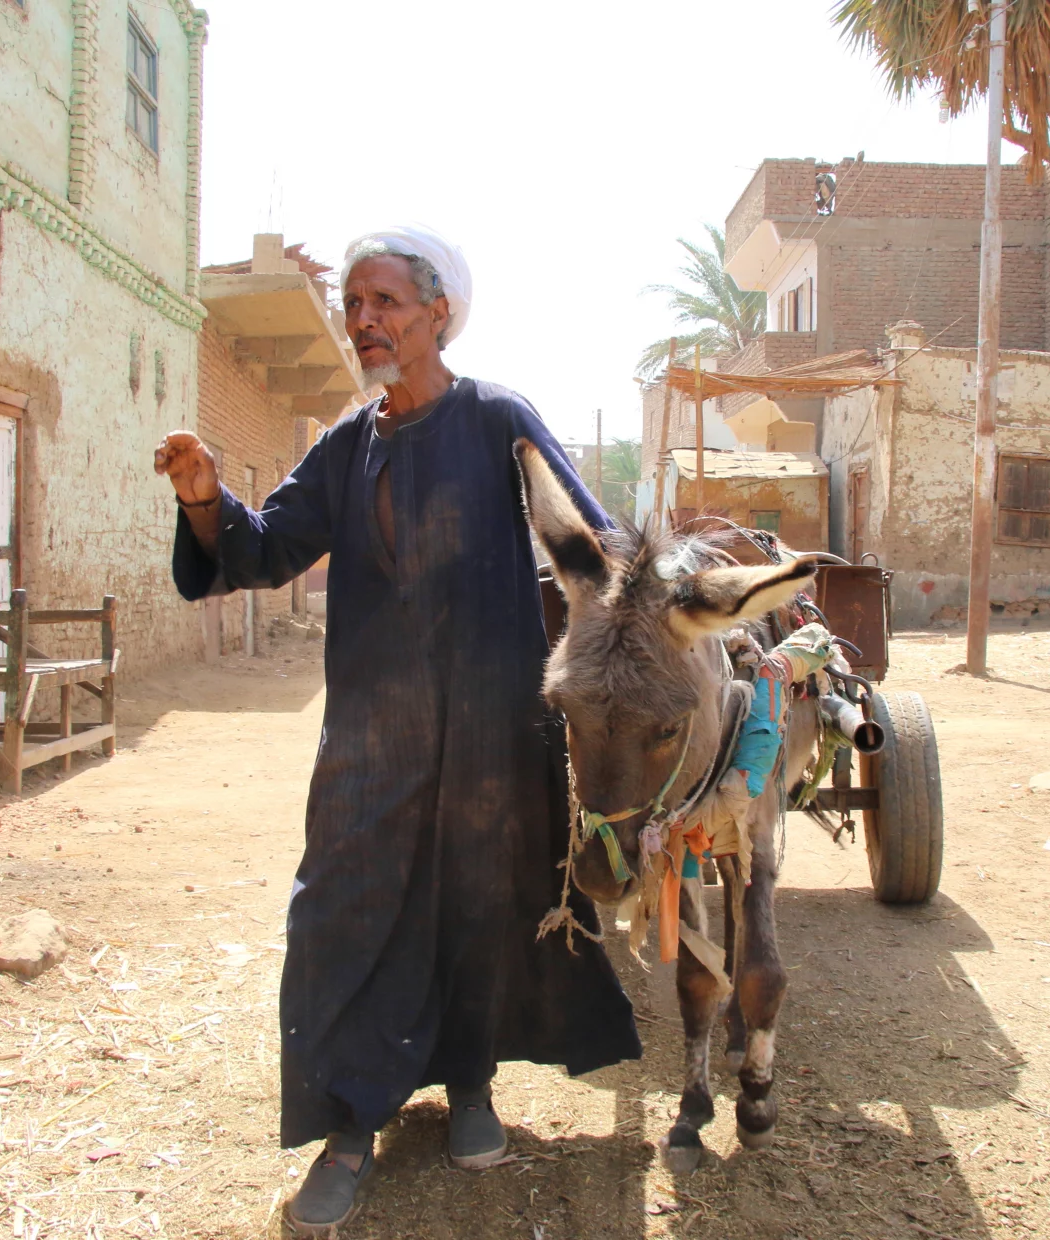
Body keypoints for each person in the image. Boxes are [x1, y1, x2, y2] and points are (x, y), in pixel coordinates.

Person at [154, 225, 640, 1236]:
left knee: (480, 907)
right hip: (372, 742)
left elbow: (586, 541)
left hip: (491, 735)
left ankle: (468, 1085)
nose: (365, 321)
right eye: (356, 306)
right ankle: (348, 1124)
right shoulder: (346, 447)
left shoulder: (498, 418)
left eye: (385, 303)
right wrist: (207, 501)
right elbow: (262, 548)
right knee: (338, 916)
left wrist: (652, 605)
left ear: (437, 315)